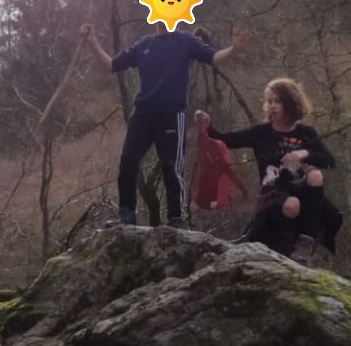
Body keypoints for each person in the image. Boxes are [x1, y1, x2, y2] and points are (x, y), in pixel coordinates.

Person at [79, 21, 243, 227]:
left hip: (171, 114)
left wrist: (234, 49)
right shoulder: (143, 45)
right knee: (128, 162)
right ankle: (127, 214)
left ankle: (176, 219)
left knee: (171, 167)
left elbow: (213, 57)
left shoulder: (185, 41)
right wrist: (93, 42)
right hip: (143, 114)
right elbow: (111, 65)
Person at [195, 77, 344, 260]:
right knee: (292, 204)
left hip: (302, 191)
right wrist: (208, 126)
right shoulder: (261, 133)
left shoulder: (306, 133)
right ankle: (279, 243)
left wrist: (304, 153)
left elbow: (329, 161)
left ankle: (306, 241)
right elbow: (227, 140)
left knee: (316, 175)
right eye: (270, 101)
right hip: (274, 193)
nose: (272, 106)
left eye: (278, 101)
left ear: (290, 102)